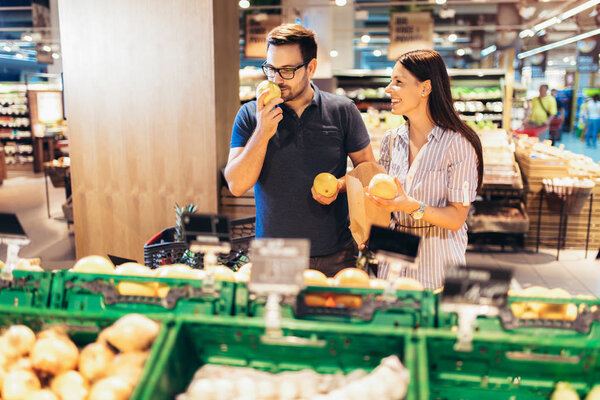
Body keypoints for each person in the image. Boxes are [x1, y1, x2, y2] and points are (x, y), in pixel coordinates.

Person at [224, 24, 375, 276]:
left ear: (311, 68)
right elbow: (237, 185)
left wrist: (338, 185)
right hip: (274, 255)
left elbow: (368, 172)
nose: (277, 79)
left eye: (287, 70)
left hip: (336, 254)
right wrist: (262, 132)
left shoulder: (342, 111)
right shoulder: (250, 115)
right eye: (271, 69)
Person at [366, 49, 483, 290]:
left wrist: (411, 206)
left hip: (437, 259)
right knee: (394, 316)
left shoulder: (457, 144)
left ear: (425, 88)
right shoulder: (391, 140)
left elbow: (456, 218)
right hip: (395, 256)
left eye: (399, 82)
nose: (389, 88)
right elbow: (388, 203)